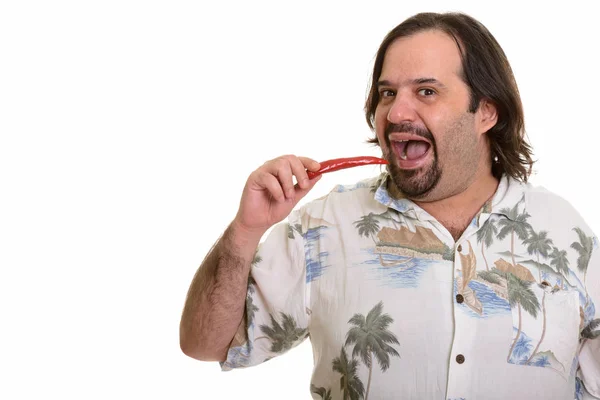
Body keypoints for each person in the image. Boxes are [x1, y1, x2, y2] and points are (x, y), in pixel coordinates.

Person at [180, 12, 600, 399]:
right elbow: (207, 343)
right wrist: (245, 231)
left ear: (486, 112)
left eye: (427, 91)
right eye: (387, 93)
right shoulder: (324, 226)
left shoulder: (565, 232)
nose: (397, 111)